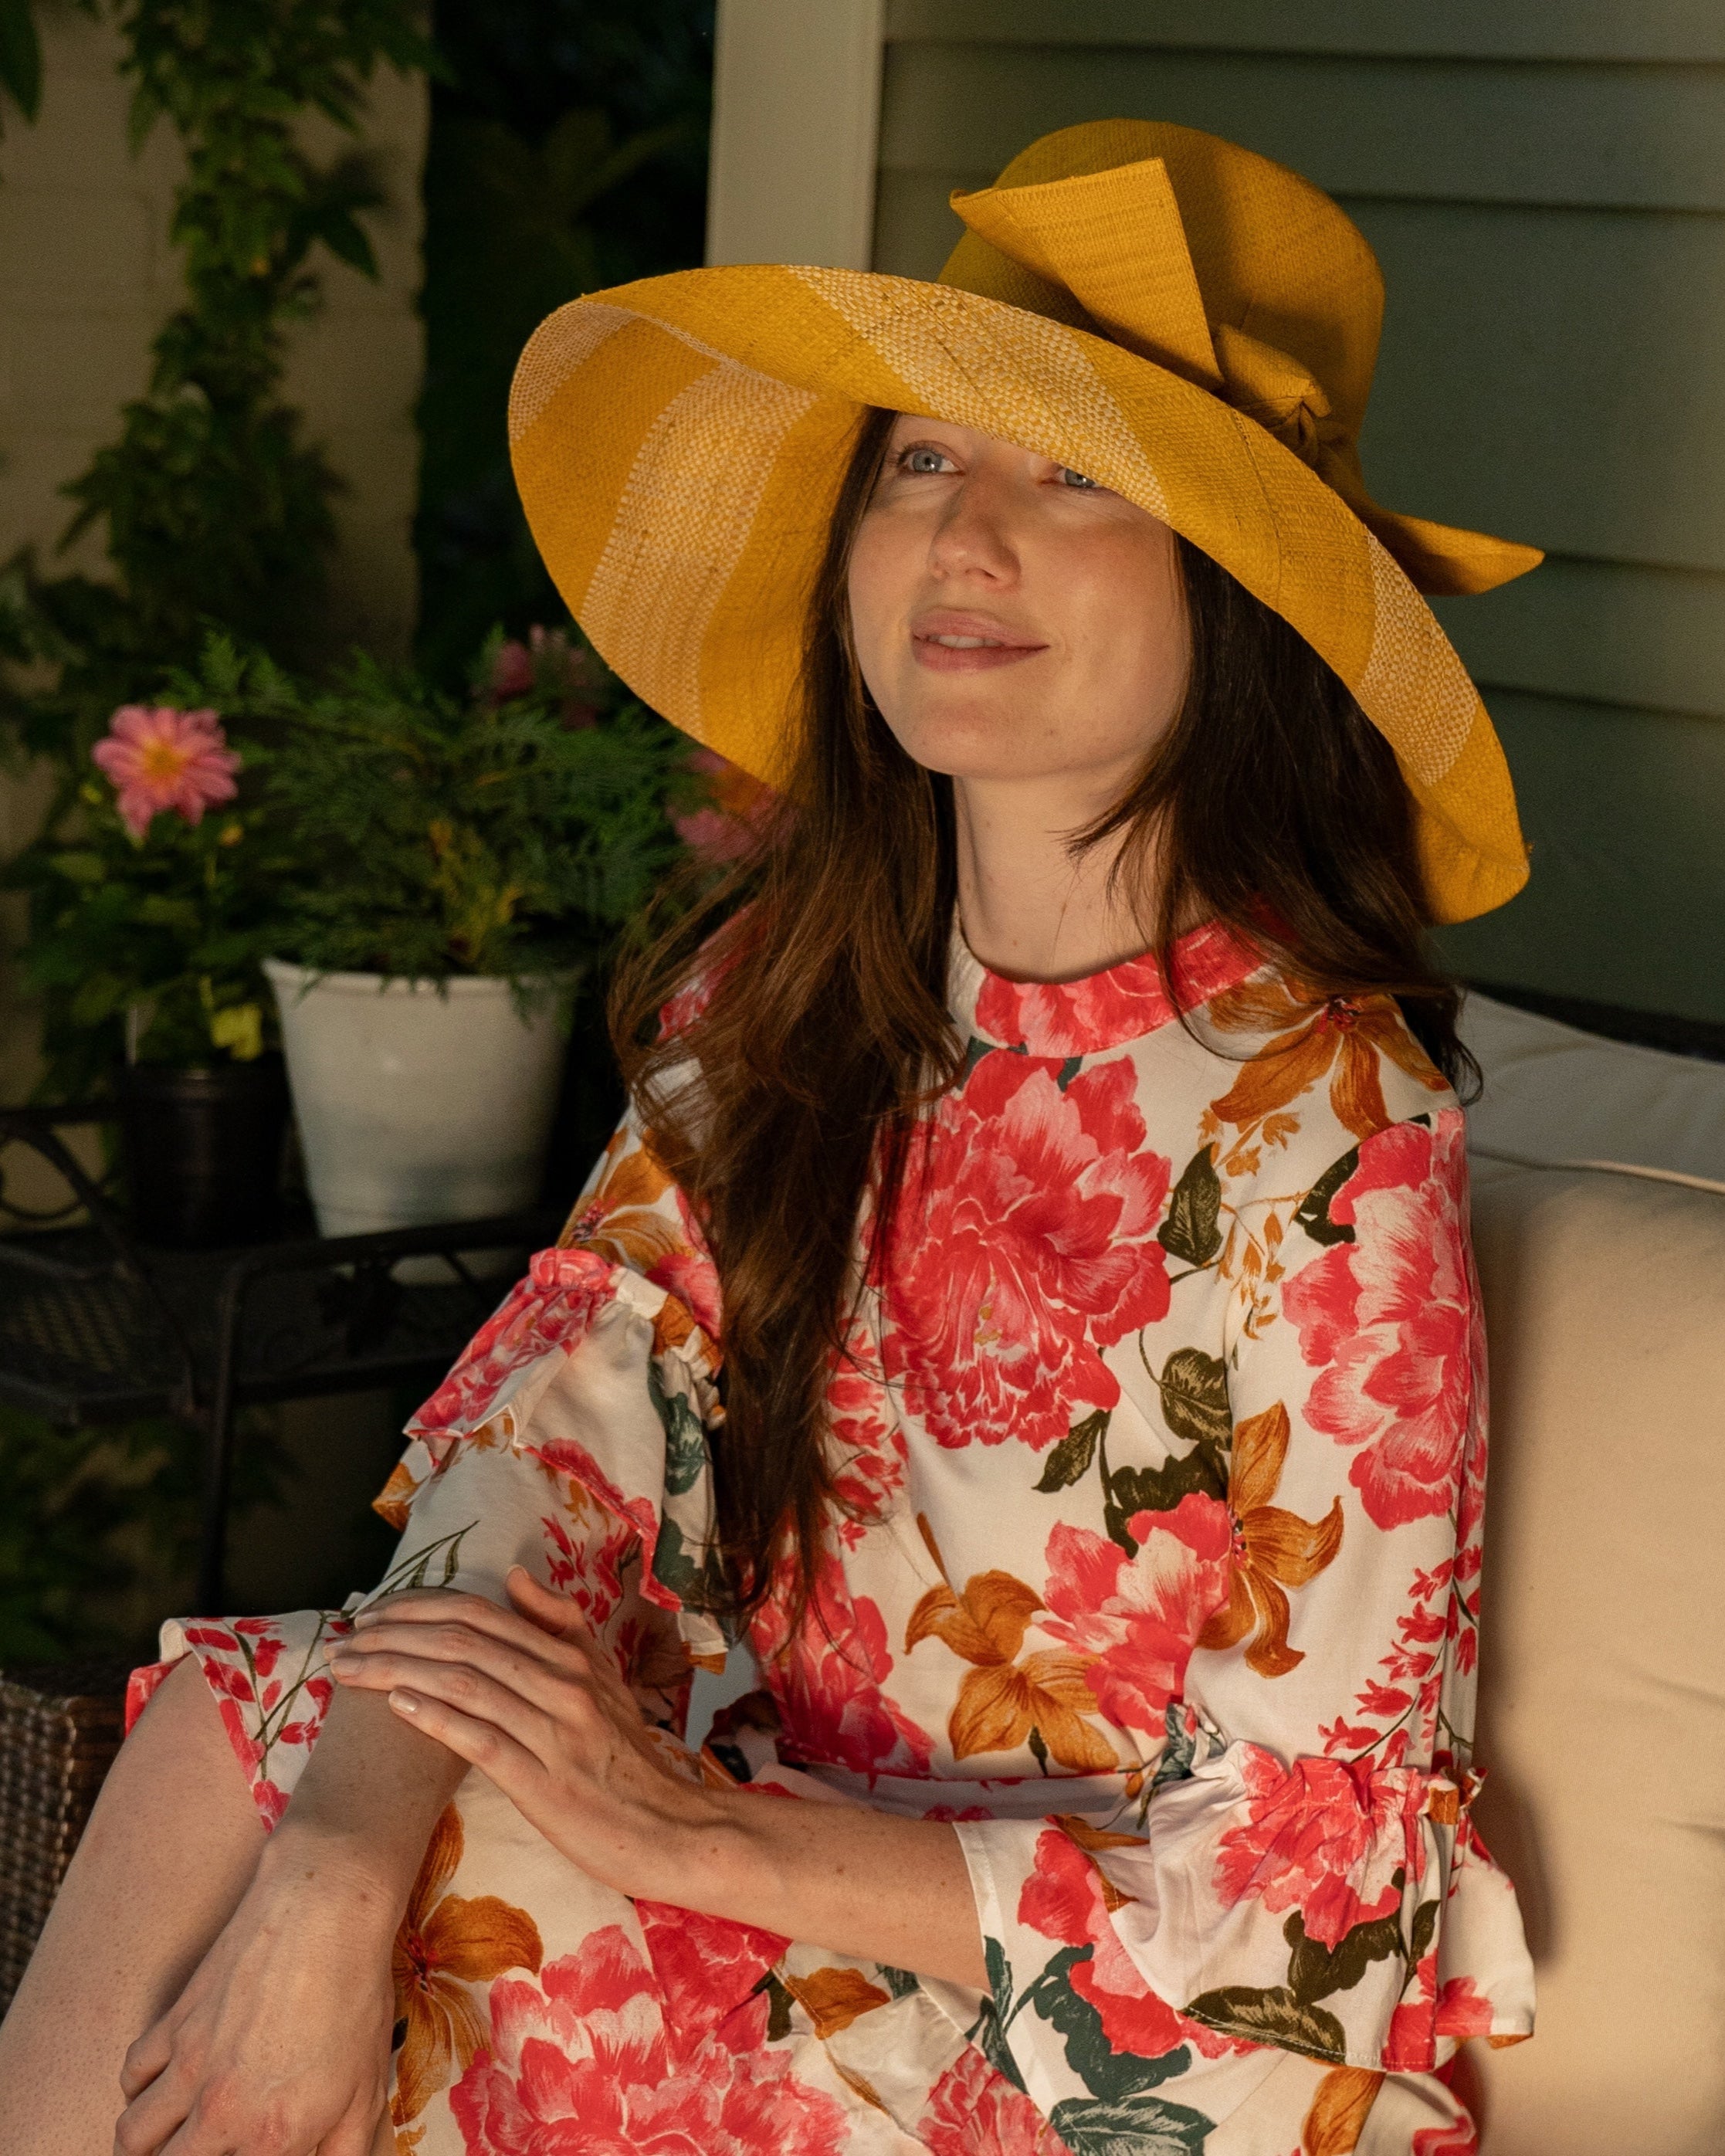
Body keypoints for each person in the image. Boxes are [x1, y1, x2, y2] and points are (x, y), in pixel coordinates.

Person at [0, 120, 1539, 2154]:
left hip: (1124, 2027)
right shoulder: (789, 993)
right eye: (917, 461)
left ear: (1236, 595)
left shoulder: (1333, 1126)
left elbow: (1307, 1893)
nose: (958, 537)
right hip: (762, 1866)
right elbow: (554, 1428)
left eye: (1069, 476)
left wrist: (688, 1839)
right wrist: (339, 1869)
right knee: (264, 1730)